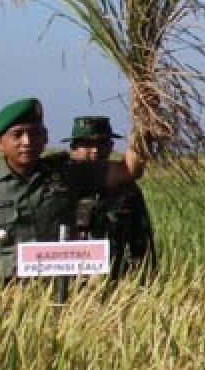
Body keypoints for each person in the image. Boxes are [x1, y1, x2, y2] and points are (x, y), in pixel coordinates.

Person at [0, 98, 147, 279]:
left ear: (45, 137)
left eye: (34, 134)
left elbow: (129, 170)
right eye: (17, 135)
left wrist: (143, 117)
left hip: (63, 293)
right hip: (7, 297)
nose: (27, 141)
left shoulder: (68, 174)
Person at [65, 116, 156, 279]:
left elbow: (141, 238)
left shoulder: (126, 189)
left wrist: (146, 277)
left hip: (116, 280)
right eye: (87, 145)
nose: (95, 150)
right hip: (69, 282)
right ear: (73, 148)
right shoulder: (59, 185)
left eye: (101, 144)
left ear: (111, 147)